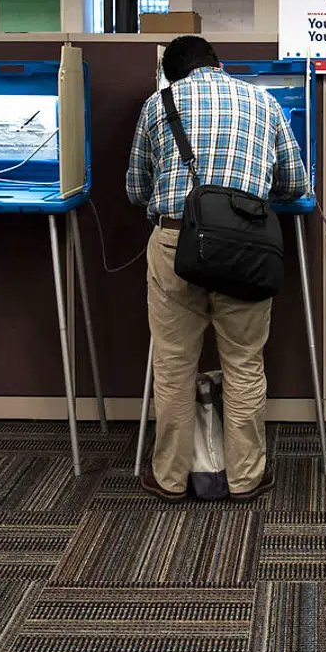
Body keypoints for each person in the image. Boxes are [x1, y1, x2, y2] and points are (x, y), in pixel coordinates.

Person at [126, 35, 308, 501]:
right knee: (244, 363)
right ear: (219, 63)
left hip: (175, 243)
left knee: (173, 364)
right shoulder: (264, 102)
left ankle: (169, 477)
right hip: (246, 246)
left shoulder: (157, 104)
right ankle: (246, 477)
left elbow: (136, 190)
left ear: (170, 75)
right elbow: (295, 183)